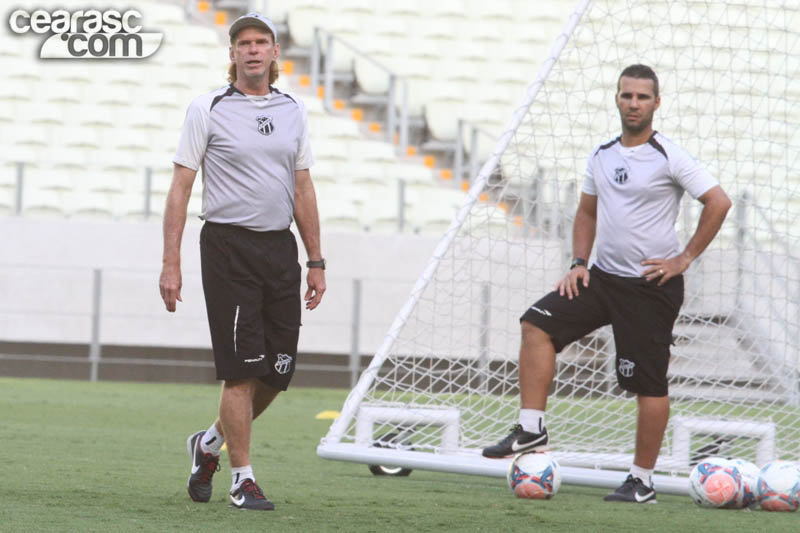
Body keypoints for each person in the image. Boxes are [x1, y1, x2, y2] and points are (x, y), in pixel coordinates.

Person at [482, 64, 731, 504]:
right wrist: (579, 261)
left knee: (648, 385)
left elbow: (718, 201)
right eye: (626, 95)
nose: (633, 103)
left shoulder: (668, 154)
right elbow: (587, 213)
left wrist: (684, 258)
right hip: (600, 280)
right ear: (616, 99)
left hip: (650, 287)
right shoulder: (601, 155)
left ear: (656, 103)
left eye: (642, 97)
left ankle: (642, 481)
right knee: (535, 324)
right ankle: (531, 430)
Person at [158, 12, 326, 511]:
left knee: (278, 372)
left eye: (262, 42)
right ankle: (242, 479)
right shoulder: (207, 108)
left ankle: (208, 443)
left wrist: (316, 260)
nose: (253, 50)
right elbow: (181, 187)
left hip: (280, 250)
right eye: (244, 43)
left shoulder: (293, 110)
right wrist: (171, 261)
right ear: (232, 54)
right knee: (241, 369)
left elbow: (303, 186)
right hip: (228, 248)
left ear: (275, 53)